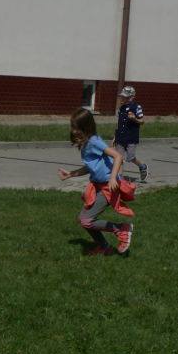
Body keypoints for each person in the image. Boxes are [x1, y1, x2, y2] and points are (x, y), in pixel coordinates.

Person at [60, 108, 131, 255]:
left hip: (108, 186)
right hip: (97, 186)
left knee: (86, 220)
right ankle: (104, 247)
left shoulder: (94, 141)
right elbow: (91, 167)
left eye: (76, 128)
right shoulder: (86, 143)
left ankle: (121, 229)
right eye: (72, 127)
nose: (73, 131)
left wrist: (113, 178)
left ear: (86, 127)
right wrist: (71, 174)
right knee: (83, 220)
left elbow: (118, 156)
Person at [112, 85, 148, 182]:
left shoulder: (137, 107)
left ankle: (142, 166)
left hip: (131, 137)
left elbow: (142, 121)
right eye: (122, 96)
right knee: (119, 158)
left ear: (131, 97)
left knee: (130, 157)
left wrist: (134, 119)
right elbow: (119, 124)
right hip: (120, 136)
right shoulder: (121, 108)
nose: (122, 98)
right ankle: (120, 178)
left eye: (124, 97)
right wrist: (115, 136)